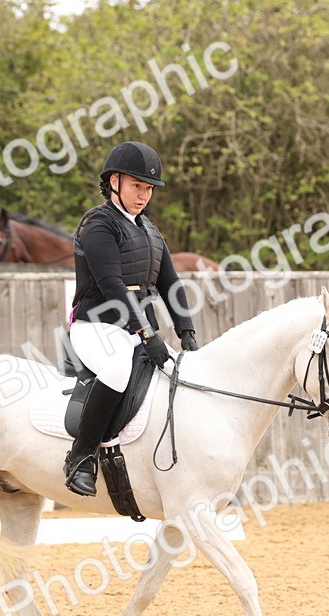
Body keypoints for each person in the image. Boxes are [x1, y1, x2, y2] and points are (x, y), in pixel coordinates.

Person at [62, 141, 199, 497]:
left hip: (137, 329)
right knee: (117, 370)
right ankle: (80, 458)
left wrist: (186, 331)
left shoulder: (149, 230)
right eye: (137, 186)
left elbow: (170, 283)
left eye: (149, 188)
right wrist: (147, 333)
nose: (143, 195)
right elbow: (112, 284)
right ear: (114, 182)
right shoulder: (98, 224)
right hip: (97, 326)